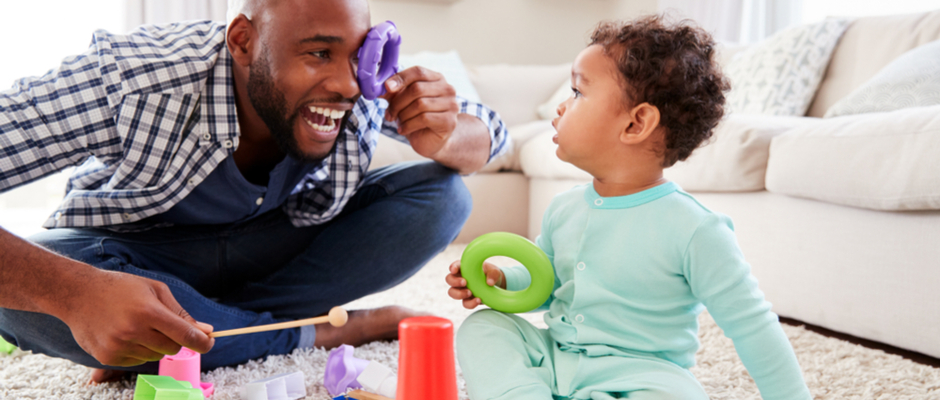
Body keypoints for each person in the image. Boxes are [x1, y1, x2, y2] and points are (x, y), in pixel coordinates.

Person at [0, 0, 508, 383]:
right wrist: (72, 294)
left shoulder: (361, 83)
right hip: (131, 253)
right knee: (23, 292)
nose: (348, 84)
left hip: (270, 248)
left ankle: (207, 335)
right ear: (243, 40)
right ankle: (326, 329)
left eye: (356, 55)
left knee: (443, 195)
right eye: (318, 53)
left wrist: (445, 133)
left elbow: (490, 133)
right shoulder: (132, 78)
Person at [446, 15, 812, 400]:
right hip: (556, 355)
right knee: (484, 328)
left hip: (644, 376)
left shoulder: (695, 229)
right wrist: (504, 282)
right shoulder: (564, 208)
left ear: (636, 124)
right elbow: (550, 286)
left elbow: (752, 326)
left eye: (577, 93)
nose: (560, 108)